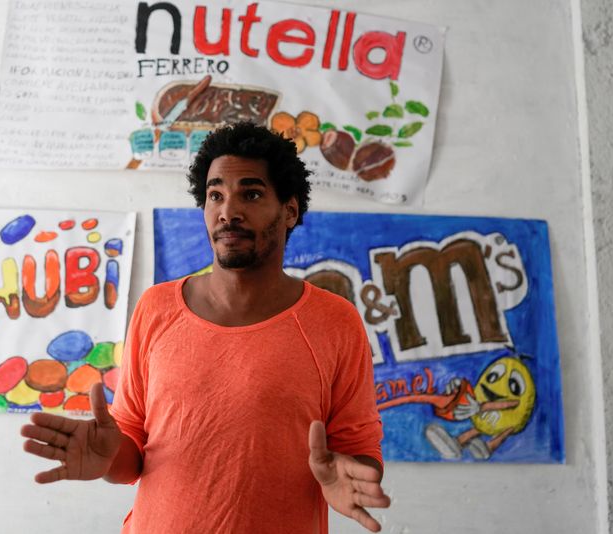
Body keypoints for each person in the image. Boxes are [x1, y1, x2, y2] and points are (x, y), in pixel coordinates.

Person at [20, 121, 390, 533]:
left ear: (289, 210)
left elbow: (357, 447)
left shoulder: (334, 321)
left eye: (250, 194)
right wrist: (106, 458)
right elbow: (132, 452)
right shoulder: (156, 308)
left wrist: (349, 476)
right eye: (215, 195)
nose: (228, 211)